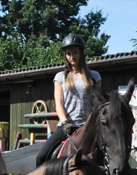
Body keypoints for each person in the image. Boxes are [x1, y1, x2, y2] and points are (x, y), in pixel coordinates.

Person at [35, 33, 102, 166]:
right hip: (67, 127)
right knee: (41, 157)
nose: (72, 56)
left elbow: (98, 103)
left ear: (81, 53)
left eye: (75, 52)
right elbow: (58, 103)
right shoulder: (60, 77)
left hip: (89, 126)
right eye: (68, 53)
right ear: (65, 55)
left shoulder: (95, 76)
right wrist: (65, 123)